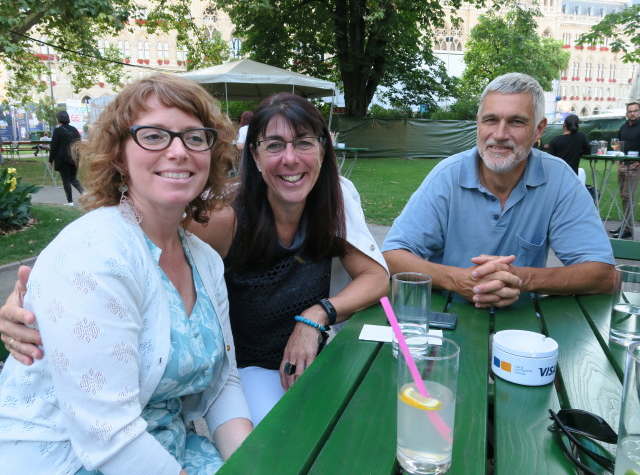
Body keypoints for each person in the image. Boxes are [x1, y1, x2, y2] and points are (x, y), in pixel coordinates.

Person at [0, 92, 390, 427]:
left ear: (324, 148)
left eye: (304, 142)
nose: (290, 158)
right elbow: (134, 247)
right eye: (273, 145)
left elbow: (376, 276)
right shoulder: (225, 220)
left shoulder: (333, 200)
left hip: (313, 365)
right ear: (253, 156)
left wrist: (318, 314)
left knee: (367, 424)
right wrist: (28, 302)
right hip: (246, 373)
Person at [0, 73, 252, 474]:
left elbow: (224, 383)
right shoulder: (94, 253)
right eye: (153, 136)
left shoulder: (204, 259)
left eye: (194, 137)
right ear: (119, 156)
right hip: (74, 460)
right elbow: (109, 436)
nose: (178, 151)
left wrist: (253, 464)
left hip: (171, 450)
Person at [382, 72, 614, 309]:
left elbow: (603, 275)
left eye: (516, 121)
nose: (500, 134)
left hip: (525, 330)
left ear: (538, 129)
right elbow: (392, 256)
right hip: (448, 317)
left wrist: (521, 279)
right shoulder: (448, 175)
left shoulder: (559, 178)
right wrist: (458, 280)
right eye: (490, 120)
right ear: (478, 123)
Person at [609, 102, 640, 239]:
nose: (632, 113)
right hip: (622, 166)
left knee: (628, 197)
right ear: (626, 113)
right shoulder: (623, 127)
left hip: (634, 166)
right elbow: (618, 144)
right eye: (630, 111)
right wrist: (618, 156)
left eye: (635, 111)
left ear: (639, 112)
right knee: (623, 196)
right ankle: (626, 225)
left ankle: (628, 228)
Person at [49, 111, 84, 205]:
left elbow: (54, 146)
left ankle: (70, 202)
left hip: (63, 159)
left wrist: (50, 160)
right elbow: (79, 144)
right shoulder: (74, 130)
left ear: (59, 119)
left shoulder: (58, 131)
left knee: (66, 181)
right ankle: (84, 193)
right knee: (73, 179)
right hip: (74, 157)